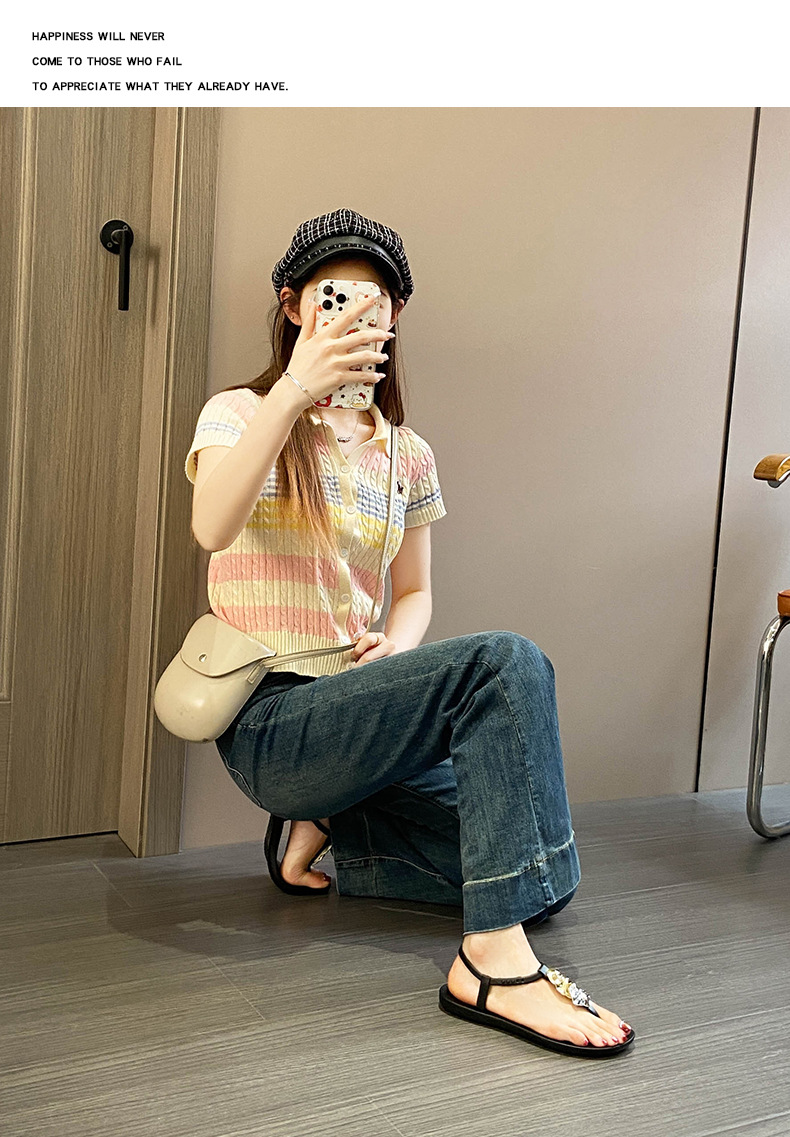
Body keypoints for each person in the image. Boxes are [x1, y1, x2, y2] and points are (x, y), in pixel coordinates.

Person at [185, 207, 635, 1057]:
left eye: (374, 300)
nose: (354, 312)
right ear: (293, 306)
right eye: (333, 295)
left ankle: (334, 825)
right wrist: (295, 390)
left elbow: (416, 591)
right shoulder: (238, 413)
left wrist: (396, 639)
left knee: (541, 875)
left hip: (362, 710)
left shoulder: (408, 453)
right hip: (274, 720)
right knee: (505, 663)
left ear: (394, 317)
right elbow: (211, 524)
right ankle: (490, 965)